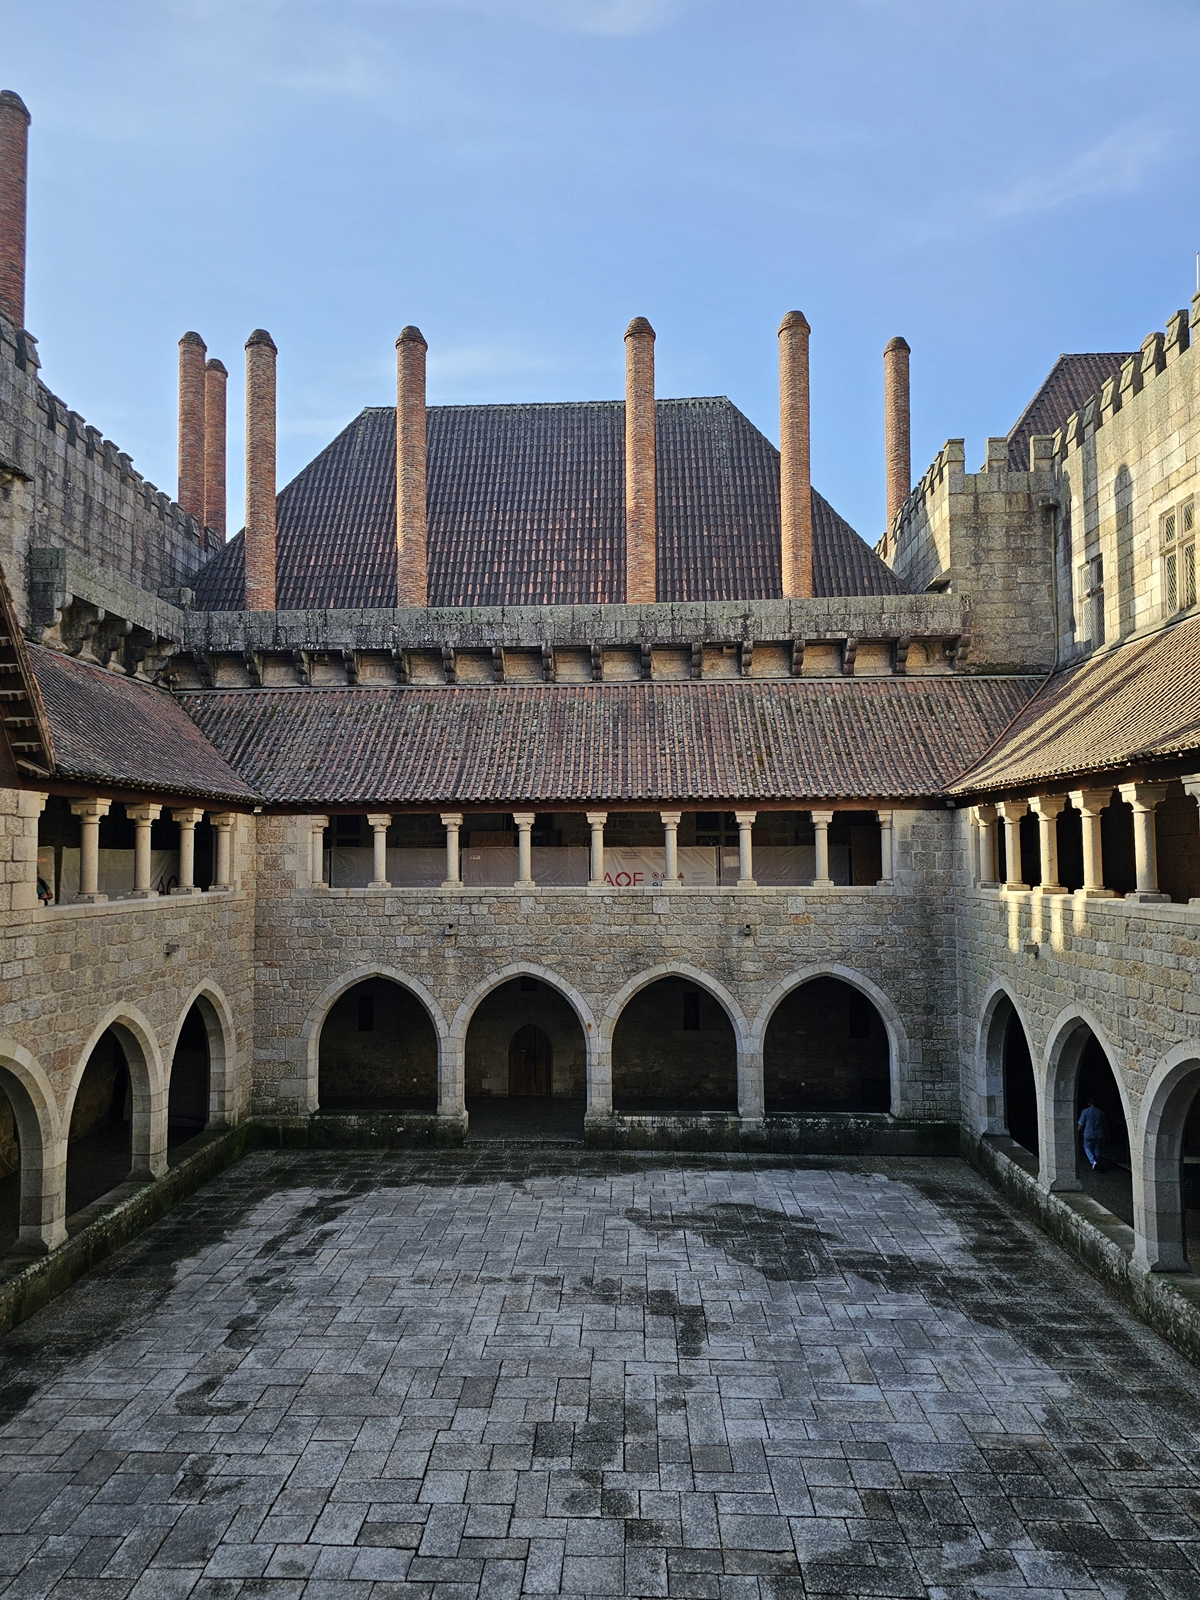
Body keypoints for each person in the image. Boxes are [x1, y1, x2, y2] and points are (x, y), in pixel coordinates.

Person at [1078, 1098, 1107, 1172]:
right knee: (1096, 1147)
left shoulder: (1085, 1111)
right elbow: (1104, 1124)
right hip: (1099, 1133)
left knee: (1087, 1147)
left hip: (1088, 1133)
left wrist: (1077, 1131)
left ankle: (1093, 1161)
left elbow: (1081, 1124)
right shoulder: (1100, 1112)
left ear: (1088, 1103)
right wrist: (1107, 1133)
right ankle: (1097, 1160)